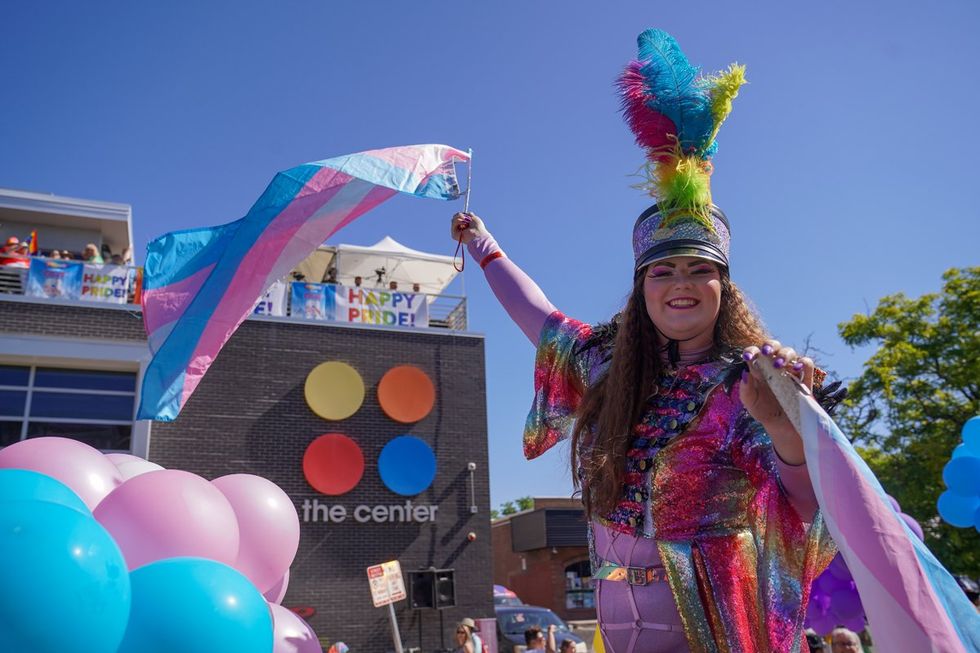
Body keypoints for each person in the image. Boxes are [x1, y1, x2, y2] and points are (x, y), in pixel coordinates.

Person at [451, 28, 839, 653]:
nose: (680, 284)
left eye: (699, 270)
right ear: (642, 288)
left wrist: (789, 427)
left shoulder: (748, 381)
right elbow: (537, 316)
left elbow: (803, 510)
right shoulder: (604, 363)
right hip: (613, 629)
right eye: (663, 271)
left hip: (710, 626)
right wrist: (483, 245)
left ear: (724, 287)